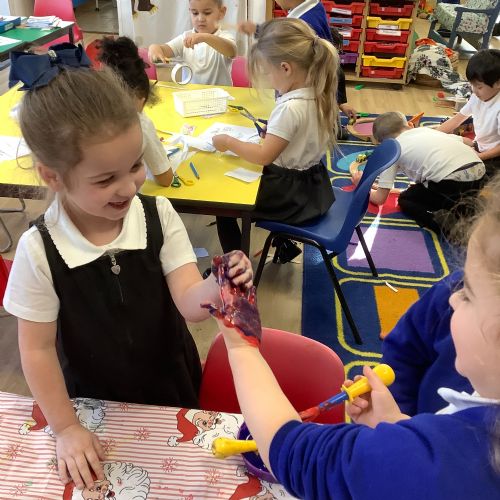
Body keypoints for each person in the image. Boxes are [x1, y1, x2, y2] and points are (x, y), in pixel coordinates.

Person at [3, 46, 253, 492]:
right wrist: (66, 428)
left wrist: (218, 283)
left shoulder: (159, 215)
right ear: (53, 176)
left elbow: (189, 304)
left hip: (170, 383)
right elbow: (36, 351)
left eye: (135, 165)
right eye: (105, 179)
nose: (128, 186)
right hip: (90, 402)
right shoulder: (38, 250)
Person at [213, 174, 500, 499]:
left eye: (468, 294)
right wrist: (397, 423)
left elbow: (297, 455)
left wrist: (241, 347)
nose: (452, 299)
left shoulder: (449, 465)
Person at [213, 18, 338, 257]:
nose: (269, 79)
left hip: (290, 196)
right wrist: (272, 133)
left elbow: (263, 156)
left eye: (268, 73)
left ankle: (237, 269)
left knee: (224, 205)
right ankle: (284, 244)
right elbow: (298, 137)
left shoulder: (290, 108)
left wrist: (228, 142)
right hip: (314, 187)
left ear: (285, 68)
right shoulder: (319, 93)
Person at [362, 111, 485, 234]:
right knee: (433, 185)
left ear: (384, 144)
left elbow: (379, 199)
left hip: (452, 183)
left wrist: (363, 186)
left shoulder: (393, 150)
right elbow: (467, 141)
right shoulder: (426, 131)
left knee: (406, 199)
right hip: (480, 173)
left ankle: (446, 224)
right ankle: (467, 205)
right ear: (410, 125)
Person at [239, 0, 357, 126]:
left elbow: (328, 66)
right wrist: (338, 101)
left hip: (310, 108)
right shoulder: (314, 6)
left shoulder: (307, 22)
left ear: (286, 68)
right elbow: (328, 62)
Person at [381, 271, 472, 416]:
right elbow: (403, 351)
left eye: (469, 296)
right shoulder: (453, 288)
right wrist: (398, 413)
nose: (453, 299)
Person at [97, 36, 173, 187]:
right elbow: (165, 179)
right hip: (125, 197)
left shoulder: (86, 117)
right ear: (142, 99)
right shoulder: (140, 125)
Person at [437, 49, 500, 180]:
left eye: (479, 87)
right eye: (472, 85)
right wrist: (432, 134)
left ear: (498, 83)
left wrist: (479, 157)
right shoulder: (477, 97)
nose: (474, 90)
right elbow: (457, 120)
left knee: (459, 177)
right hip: (480, 147)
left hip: (494, 157)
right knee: (444, 149)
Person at [148, 0, 236, 86]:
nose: (200, 19)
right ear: (190, 11)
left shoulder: (224, 36)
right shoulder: (185, 38)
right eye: (195, 13)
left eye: (207, 13)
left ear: (221, 12)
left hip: (221, 94)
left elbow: (232, 51)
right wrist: (154, 48)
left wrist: (204, 37)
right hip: (190, 94)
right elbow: (163, 49)